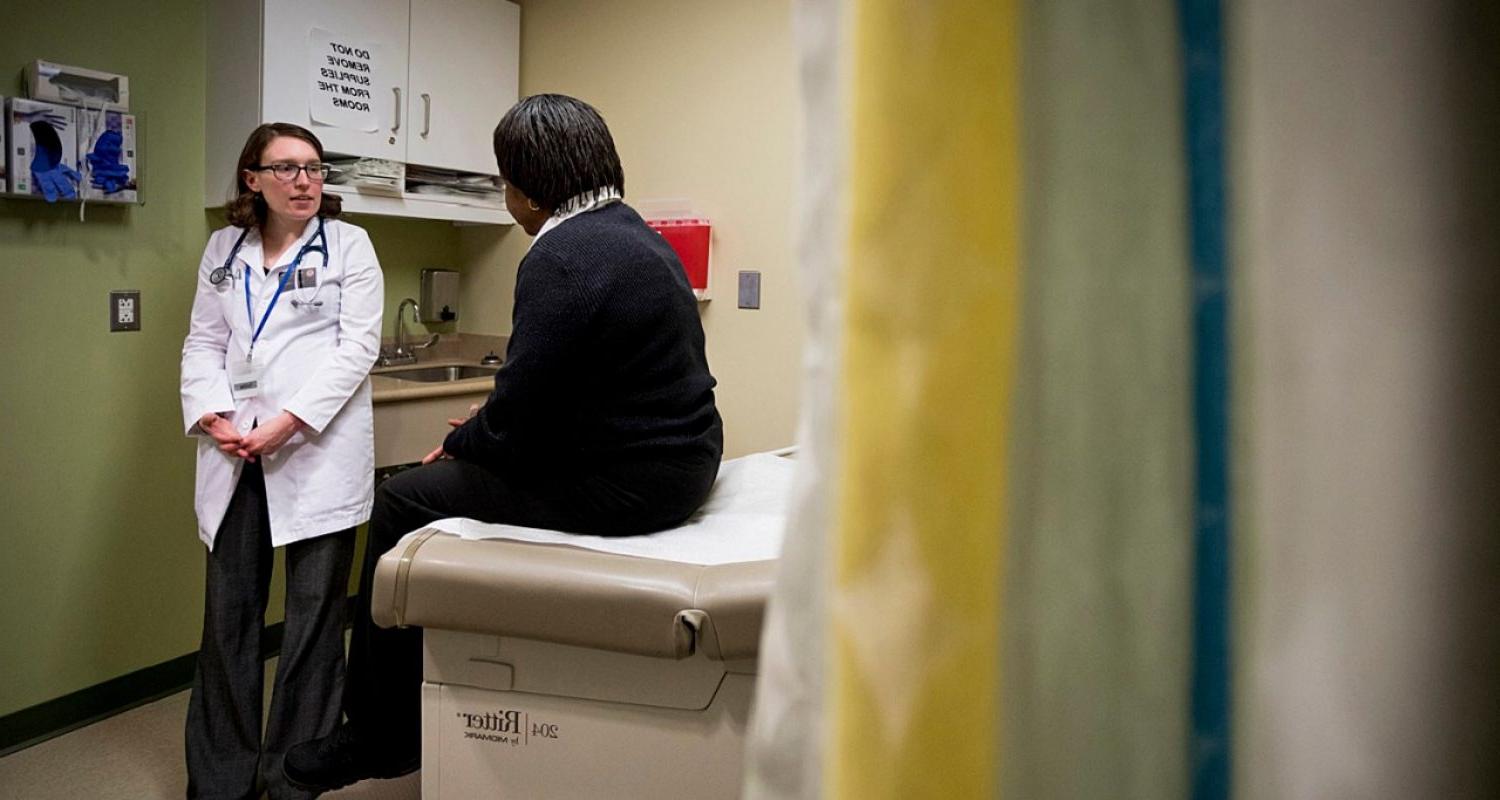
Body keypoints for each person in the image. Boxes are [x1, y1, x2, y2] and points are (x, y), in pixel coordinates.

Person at [283, 93, 724, 791]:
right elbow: (557, 392)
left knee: (403, 499)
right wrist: (486, 436)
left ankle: (379, 734)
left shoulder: (560, 256)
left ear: (527, 186)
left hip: (637, 486)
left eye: (504, 183)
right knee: (458, 464)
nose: (506, 198)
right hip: (683, 461)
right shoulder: (635, 235)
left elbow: (518, 418)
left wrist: (468, 443)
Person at [180, 122, 384, 799]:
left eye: (316, 169)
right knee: (228, 615)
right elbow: (203, 342)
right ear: (253, 179)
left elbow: (358, 349)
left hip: (313, 450)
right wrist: (212, 416)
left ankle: (292, 777)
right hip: (234, 447)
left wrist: (288, 425)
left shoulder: (349, 245)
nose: (305, 181)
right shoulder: (223, 249)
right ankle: (221, 779)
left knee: (313, 617)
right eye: (288, 168)